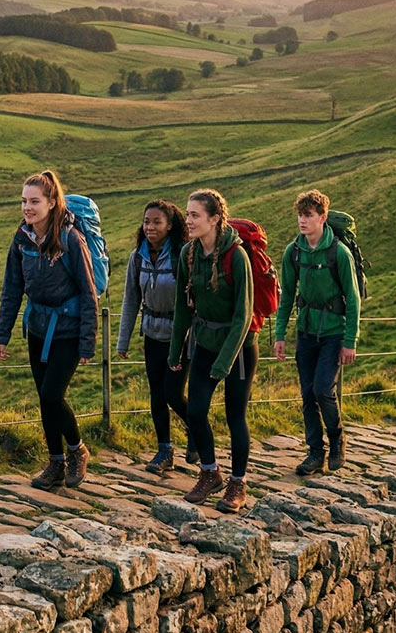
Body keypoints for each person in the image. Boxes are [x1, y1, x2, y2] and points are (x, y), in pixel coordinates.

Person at [0, 170, 98, 490]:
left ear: (52, 203)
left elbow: (88, 292)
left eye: (34, 201)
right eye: (24, 201)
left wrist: (87, 343)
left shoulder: (71, 239)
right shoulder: (21, 237)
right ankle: (54, 463)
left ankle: (77, 450)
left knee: (53, 395)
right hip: (37, 326)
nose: (27, 207)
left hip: (67, 328)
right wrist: (3, 333)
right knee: (44, 398)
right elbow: (12, 287)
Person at [168, 189, 257, 513]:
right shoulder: (188, 254)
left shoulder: (237, 256)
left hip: (239, 350)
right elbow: (181, 307)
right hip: (204, 341)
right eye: (188, 214)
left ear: (215, 219)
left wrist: (224, 362)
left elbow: (243, 316)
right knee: (195, 412)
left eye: (195, 215)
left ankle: (237, 482)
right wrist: (175, 351)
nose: (188, 220)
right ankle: (210, 472)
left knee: (236, 417)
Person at [273, 189, 360, 476]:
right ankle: (314, 453)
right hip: (306, 331)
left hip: (334, 333)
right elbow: (286, 297)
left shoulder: (339, 253)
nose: (302, 220)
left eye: (308, 215)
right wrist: (280, 335)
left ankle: (337, 439)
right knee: (307, 394)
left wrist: (350, 341)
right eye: (300, 215)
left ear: (322, 218)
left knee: (324, 390)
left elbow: (353, 298)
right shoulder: (293, 251)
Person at [117, 199, 198, 473]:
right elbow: (131, 298)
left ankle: (196, 430)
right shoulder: (137, 257)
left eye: (157, 222)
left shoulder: (182, 255)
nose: (150, 227)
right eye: (146, 222)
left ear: (170, 225)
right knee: (156, 393)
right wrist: (123, 341)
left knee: (173, 393)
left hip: (181, 335)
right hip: (152, 333)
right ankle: (164, 451)